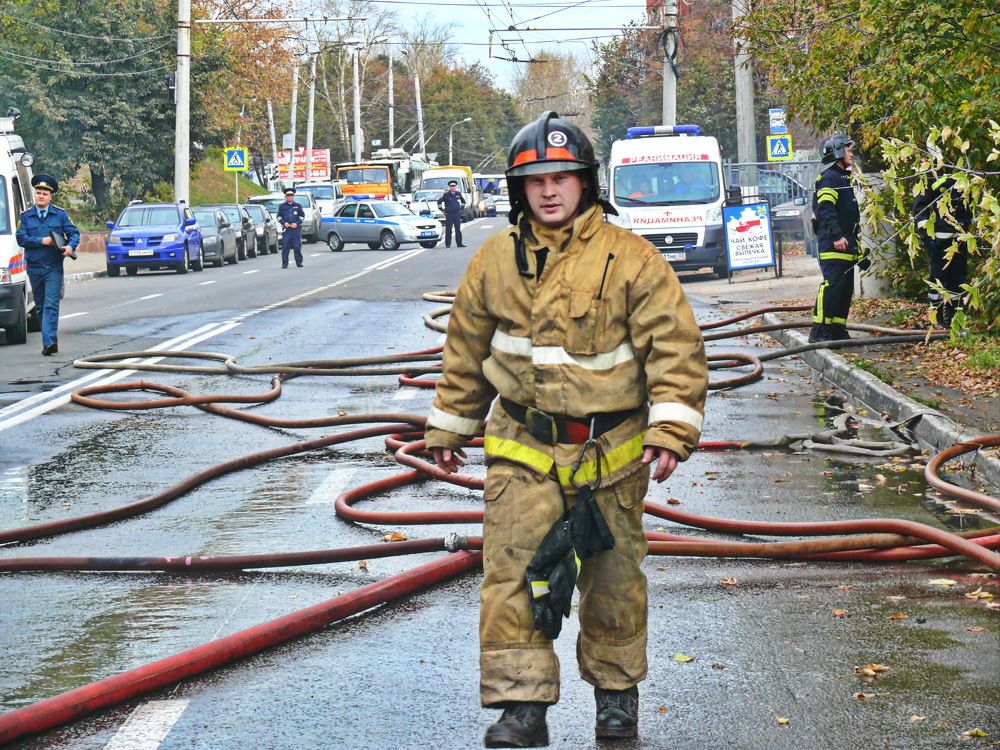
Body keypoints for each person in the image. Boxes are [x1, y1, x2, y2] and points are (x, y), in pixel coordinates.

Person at [425, 111, 708, 747]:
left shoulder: (631, 259)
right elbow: (465, 350)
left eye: (564, 177)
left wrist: (670, 430)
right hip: (521, 446)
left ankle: (616, 697)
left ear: (586, 183)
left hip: (611, 451)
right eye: (537, 180)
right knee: (514, 572)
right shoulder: (494, 261)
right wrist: (447, 430)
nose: (550, 190)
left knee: (613, 579)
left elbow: (676, 349)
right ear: (517, 190)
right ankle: (522, 706)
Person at [808, 133, 867, 343]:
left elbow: (847, 217)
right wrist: (837, 236)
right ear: (838, 152)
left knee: (844, 289)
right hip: (834, 242)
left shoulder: (843, 177)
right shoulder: (829, 178)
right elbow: (825, 210)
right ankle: (820, 332)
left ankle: (837, 330)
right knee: (832, 286)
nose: (852, 153)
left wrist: (857, 250)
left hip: (845, 243)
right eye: (848, 150)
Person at [15, 174, 79, 355]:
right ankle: (51, 340)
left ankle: (48, 343)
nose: (41, 196)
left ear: (50, 197)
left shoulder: (60, 214)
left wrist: (69, 246)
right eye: (38, 193)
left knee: (51, 305)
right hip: (34, 268)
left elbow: (74, 233)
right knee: (41, 307)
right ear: (35, 195)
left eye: (44, 193)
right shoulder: (26, 217)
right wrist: (41, 241)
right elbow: (21, 238)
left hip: (53, 268)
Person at [912, 173, 972, 327]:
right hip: (938, 240)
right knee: (937, 280)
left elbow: (967, 205)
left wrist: (967, 225)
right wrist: (927, 236)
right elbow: (920, 210)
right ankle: (936, 318)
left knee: (957, 279)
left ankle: (954, 319)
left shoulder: (959, 175)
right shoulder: (929, 178)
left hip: (959, 238)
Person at [276, 187, 305, 268]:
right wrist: (284, 223)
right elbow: (278, 217)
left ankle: (299, 262)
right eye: (288, 196)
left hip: (295, 229)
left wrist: (297, 223)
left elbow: (302, 216)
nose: (290, 197)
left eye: (291, 195)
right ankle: (285, 263)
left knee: (297, 246)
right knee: (285, 247)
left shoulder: (298, 206)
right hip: (287, 230)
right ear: (286, 197)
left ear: (293, 196)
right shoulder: (282, 206)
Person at [437, 180, 466, 247]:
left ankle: (459, 243)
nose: (452, 187)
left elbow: (463, 202)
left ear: (456, 187)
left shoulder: (458, 194)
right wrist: (443, 210)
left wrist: (461, 210)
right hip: (449, 214)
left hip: (457, 214)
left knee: (458, 229)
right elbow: (439, 202)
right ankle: (448, 244)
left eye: (454, 186)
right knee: (448, 229)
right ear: (449, 187)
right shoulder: (446, 195)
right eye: (451, 186)